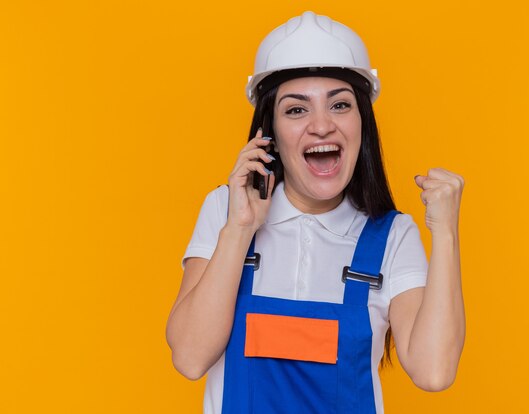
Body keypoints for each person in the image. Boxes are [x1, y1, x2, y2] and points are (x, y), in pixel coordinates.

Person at [166, 11, 465, 414]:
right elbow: (189, 357)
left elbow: (433, 372)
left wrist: (445, 233)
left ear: (363, 123)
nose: (321, 126)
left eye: (340, 105)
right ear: (268, 131)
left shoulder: (392, 236)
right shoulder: (224, 210)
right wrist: (240, 229)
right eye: (296, 110)